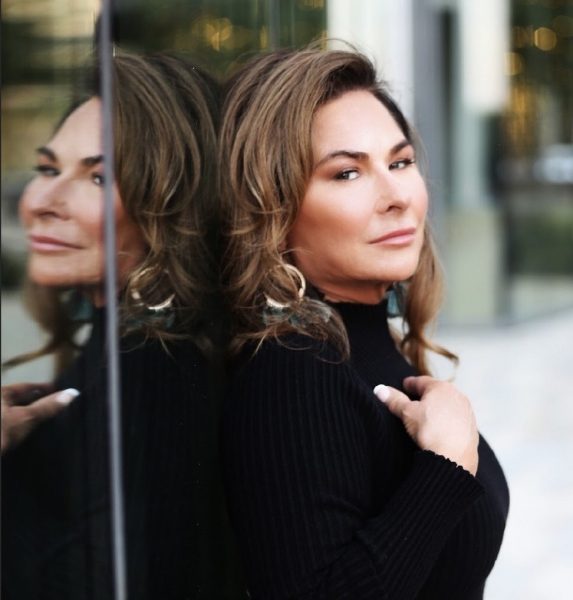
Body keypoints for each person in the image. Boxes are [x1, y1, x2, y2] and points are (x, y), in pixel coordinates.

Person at [218, 48, 509, 599]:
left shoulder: (360, 346)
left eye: (399, 163)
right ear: (272, 211)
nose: (398, 197)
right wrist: (447, 465)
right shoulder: (295, 372)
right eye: (347, 172)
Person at [2, 52, 243, 599]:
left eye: (97, 176)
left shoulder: (155, 362)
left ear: (174, 205)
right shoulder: (121, 347)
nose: (41, 201)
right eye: (46, 170)